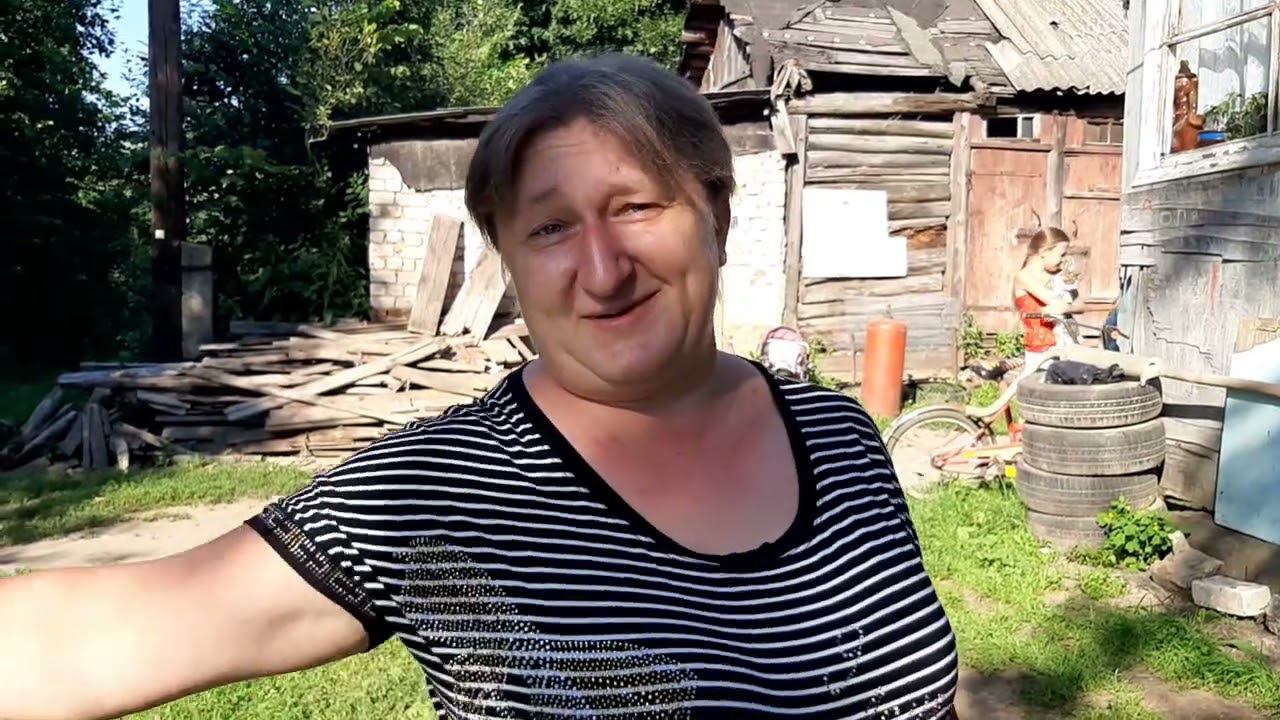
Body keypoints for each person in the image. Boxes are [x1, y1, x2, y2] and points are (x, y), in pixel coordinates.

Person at [0, 54, 959, 720]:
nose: (602, 269)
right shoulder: (442, 492)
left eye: (636, 206)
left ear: (717, 213)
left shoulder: (837, 436)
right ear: (509, 257)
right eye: (549, 229)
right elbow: (102, 635)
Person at [1013, 227, 1084, 373]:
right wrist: (1062, 304)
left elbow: (1077, 305)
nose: (1063, 260)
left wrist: (1066, 304)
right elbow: (1055, 303)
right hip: (1041, 349)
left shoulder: (1057, 276)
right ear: (1044, 252)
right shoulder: (1024, 277)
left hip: (1064, 343)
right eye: (1061, 255)